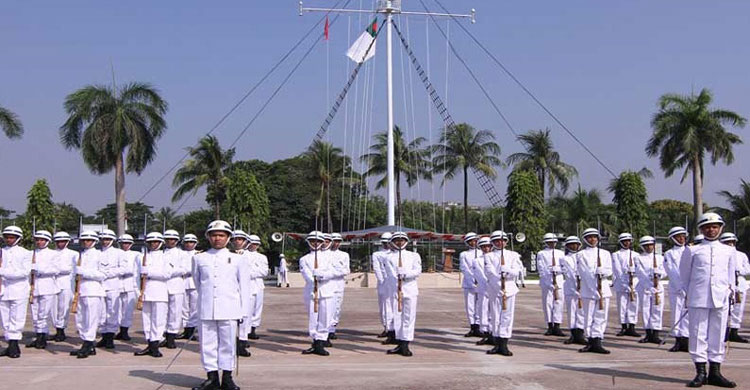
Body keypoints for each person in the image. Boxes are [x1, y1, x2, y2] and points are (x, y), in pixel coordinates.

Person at [680, 213, 737, 388]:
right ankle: (700, 372)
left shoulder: (729, 250)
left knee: (718, 335)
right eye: (707, 227)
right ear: (701, 229)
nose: (711, 230)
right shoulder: (692, 250)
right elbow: (684, 275)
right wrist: (689, 294)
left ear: (721, 228)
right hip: (699, 297)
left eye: (714, 226)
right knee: (698, 334)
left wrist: (730, 291)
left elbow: (730, 274)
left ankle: (715, 372)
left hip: (720, 297)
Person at [191, 220, 249, 390]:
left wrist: (243, 312)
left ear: (228, 237)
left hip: (230, 308)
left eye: (221, 235)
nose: (217, 238)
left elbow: (244, 286)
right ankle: (211, 377)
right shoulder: (199, 258)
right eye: (214, 235)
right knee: (207, 344)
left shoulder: (237, 259)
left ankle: (228, 378)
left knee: (228, 344)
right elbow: (198, 283)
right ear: (208, 237)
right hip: (207, 307)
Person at [383, 231, 421, 357]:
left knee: (409, 316)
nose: (400, 242)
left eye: (402, 240)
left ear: (406, 241)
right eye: (397, 240)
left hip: (410, 289)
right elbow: (389, 274)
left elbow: (417, 271)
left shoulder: (414, 255)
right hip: (396, 289)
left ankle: (406, 342)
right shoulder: (388, 257)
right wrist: (397, 277)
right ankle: (399, 341)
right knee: (397, 317)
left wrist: (405, 275)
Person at [70, 230, 106, 359]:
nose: (86, 242)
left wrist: (84, 272)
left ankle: (89, 343)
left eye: (89, 240)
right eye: (84, 240)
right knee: (81, 319)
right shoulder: (80, 255)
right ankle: (86, 343)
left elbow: (103, 274)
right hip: (81, 291)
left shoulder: (100, 255)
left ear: (94, 241)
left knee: (91, 319)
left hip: (93, 290)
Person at [576, 228, 613, 354]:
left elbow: (610, 270)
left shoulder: (605, 253)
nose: (593, 239)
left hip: (604, 290)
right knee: (589, 316)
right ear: (585, 239)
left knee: (601, 316)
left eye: (595, 237)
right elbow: (584, 273)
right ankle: (590, 340)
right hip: (589, 290)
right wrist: (594, 289)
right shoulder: (581, 255)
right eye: (590, 237)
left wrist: (603, 272)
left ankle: (598, 340)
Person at [485, 231, 522, 356]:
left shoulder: (513, 255)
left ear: (506, 242)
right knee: (495, 316)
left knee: (507, 317)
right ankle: (496, 343)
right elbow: (489, 272)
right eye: (496, 241)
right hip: (495, 289)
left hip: (510, 288)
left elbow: (517, 271)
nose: (500, 243)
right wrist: (498, 284)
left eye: (502, 240)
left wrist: (507, 271)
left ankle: (504, 344)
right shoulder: (488, 256)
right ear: (493, 243)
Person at [300, 231, 336, 356]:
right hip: (312, 291)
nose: (315, 243)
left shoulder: (330, 257)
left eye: (318, 241)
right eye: (313, 241)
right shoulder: (304, 259)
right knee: (313, 317)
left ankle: (321, 341)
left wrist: (323, 275)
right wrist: (313, 278)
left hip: (327, 290)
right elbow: (306, 274)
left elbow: (335, 271)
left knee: (325, 317)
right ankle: (315, 341)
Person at [134, 232, 170, 358]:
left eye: (156, 242)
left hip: (159, 290)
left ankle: (155, 344)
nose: (153, 244)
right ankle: (149, 343)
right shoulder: (142, 257)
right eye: (151, 242)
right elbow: (135, 275)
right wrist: (138, 292)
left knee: (158, 320)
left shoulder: (166, 257)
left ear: (160, 243)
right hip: (146, 291)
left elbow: (167, 274)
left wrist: (149, 272)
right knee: (147, 319)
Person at [0, 226, 32, 358]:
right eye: (7, 237)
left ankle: (14, 344)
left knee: (17, 318)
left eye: (12, 237)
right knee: (5, 318)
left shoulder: (26, 253)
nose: (9, 239)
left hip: (19, 289)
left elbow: (24, 272)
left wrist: (3, 272)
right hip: (3, 289)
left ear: (18, 238)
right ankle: (9, 342)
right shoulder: (1, 252)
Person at [27, 230, 60, 350]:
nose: (39, 242)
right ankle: (38, 335)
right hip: (34, 287)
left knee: (44, 313)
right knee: (35, 314)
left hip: (47, 286)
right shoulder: (31, 253)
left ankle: (43, 336)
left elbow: (56, 270)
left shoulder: (54, 254)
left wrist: (39, 269)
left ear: (47, 241)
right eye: (37, 240)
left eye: (42, 240)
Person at [96, 229, 125, 350]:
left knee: (112, 312)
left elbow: (124, 269)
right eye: (103, 239)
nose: (105, 242)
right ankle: (103, 335)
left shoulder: (119, 253)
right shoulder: (97, 253)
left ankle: (110, 337)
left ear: (112, 240)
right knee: (101, 313)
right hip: (100, 285)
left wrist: (109, 273)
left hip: (113, 285)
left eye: (108, 239)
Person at [635, 235, 666, 344]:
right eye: (646, 245)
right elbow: (639, 272)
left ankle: (656, 334)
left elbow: (665, 270)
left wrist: (659, 274)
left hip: (658, 287)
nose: (649, 247)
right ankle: (648, 333)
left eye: (650, 245)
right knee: (646, 310)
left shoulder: (660, 258)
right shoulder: (638, 258)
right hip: (644, 287)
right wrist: (649, 284)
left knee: (657, 310)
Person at [664, 226, 690, 352]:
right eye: (678, 236)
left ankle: (686, 340)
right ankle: (678, 340)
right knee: (676, 313)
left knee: (687, 316)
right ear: (673, 239)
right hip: (676, 289)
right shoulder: (669, 253)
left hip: (690, 288)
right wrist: (680, 287)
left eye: (683, 236)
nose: (681, 238)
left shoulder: (691, 250)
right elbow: (672, 271)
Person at [719, 232, 749, 344]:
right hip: (726, 283)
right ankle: (724, 331)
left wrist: (738, 270)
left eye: (732, 242)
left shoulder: (741, 255)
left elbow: (748, 269)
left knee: (738, 308)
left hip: (739, 283)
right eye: (727, 242)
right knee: (726, 309)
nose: (730, 244)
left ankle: (734, 331)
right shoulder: (721, 255)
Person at [161, 229, 188, 349]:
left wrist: (170, 272)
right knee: (161, 313)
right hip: (161, 285)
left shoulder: (182, 254)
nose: (170, 241)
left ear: (177, 241)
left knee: (175, 312)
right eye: (168, 239)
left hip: (176, 284)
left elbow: (186, 269)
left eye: (173, 239)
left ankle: (171, 336)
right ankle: (160, 336)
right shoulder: (159, 253)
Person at [535, 233, 566, 337]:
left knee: (559, 303)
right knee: (547, 304)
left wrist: (558, 270)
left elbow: (565, 267)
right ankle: (549, 325)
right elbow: (541, 267)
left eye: (553, 242)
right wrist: (549, 273)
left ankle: (557, 325)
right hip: (547, 280)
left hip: (559, 280)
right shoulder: (541, 253)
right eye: (549, 242)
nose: (551, 244)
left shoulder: (560, 253)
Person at [612, 233, 640, 337]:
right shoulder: (616, 254)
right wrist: (625, 283)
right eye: (624, 241)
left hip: (635, 282)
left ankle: (632, 326)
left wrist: (634, 272)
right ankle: (624, 326)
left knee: (633, 305)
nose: (627, 243)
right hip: (622, 282)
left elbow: (639, 269)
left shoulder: (636, 254)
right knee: (622, 305)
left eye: (628, 241)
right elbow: (618, 270)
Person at [560, 236, 587, 345]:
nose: (574, 246)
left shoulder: (583, 256)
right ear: (567, 246)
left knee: (581, 312)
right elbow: (567, 272)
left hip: (584, 288)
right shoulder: (564, 258)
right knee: (572, 312)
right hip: (571, 288)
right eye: (571, 244)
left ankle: (580, 333)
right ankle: (573, 333)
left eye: (576, 244)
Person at [51, 231, 77, 342]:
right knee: (53, 309)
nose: (60, 243)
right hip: (53, 283)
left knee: (64, 308)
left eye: (63, 241)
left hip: (66, 284)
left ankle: (61, 330)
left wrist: (55, 270)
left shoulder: (74, 254)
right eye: (58, 241)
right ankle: (57, 329)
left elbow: (70, 269)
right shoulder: (51, 253)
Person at [231, 230, 253, 358]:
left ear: (245, 241)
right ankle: (231, 343)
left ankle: (242, 343)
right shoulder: (227, 254)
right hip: (232, 291)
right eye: (235, 239)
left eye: (240, 239)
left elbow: (260, 271)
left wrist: (244, 274)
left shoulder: (253, 256)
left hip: (248, 289)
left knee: (245, 318)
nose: (237, 241)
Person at [115, 234, 139, 341]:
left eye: (127, 243)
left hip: (130, 284)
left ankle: (125, 330)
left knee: (128, 310)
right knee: (116, 309)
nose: (125, 245)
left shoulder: (137, 255)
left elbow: (137, 271)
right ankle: (117, 329)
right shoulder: (115, 253)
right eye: (123, 243)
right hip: (117, 283)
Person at [459, 232, 482, 337]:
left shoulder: (482, 253)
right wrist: (472, 280)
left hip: (481, 283)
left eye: (475, 241)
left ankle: (478, 325)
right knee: (470, 305)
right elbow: (464, 268)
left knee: (479, 305)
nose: (473, 243)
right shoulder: (464, 254)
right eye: (471, 241)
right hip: (469, 283)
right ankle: (472, 326)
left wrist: (479, 278)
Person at [328, 233, 350, 341]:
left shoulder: (344, 255)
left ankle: (332, 328)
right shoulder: (325, 254)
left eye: (338, 241)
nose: (336, 243)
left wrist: (334, 272)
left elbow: (346, 270)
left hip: (339, 284)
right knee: (327, 307)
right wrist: (337, 271)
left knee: (337, 307)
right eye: (334, 241)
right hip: (327, 284)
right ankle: (326, 329)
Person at [178, 233, 200, 341]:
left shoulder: (199, 254)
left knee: (194, 308)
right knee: (184, 308)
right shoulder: (180, 254)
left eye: (191, 242)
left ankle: (192, 330)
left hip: (194, 282)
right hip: (183, 281)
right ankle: (186, 329)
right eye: (187, 242)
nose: (189, 244)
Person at [246, 234, 268, 341]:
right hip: (246, 285)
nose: (253, 246)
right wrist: (254, 271)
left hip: (258, 285)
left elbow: (264, 272)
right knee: (247, 309)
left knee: (257, 308)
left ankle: (253, 328)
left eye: (256, 244)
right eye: (252, 243)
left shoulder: (262, 257)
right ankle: (246, 329)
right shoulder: (242, 254)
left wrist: (251, 273)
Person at [373, 232, 394, 340]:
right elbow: (377, 269)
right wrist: (382, 281)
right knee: (384, 306)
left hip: (393, 282)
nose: (386, 245)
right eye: (384, 242)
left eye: (388, 242)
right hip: (383, 283)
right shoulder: (377, 254)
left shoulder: (394, 254)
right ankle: (386, 327)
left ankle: (392, 329)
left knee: (392, 306)